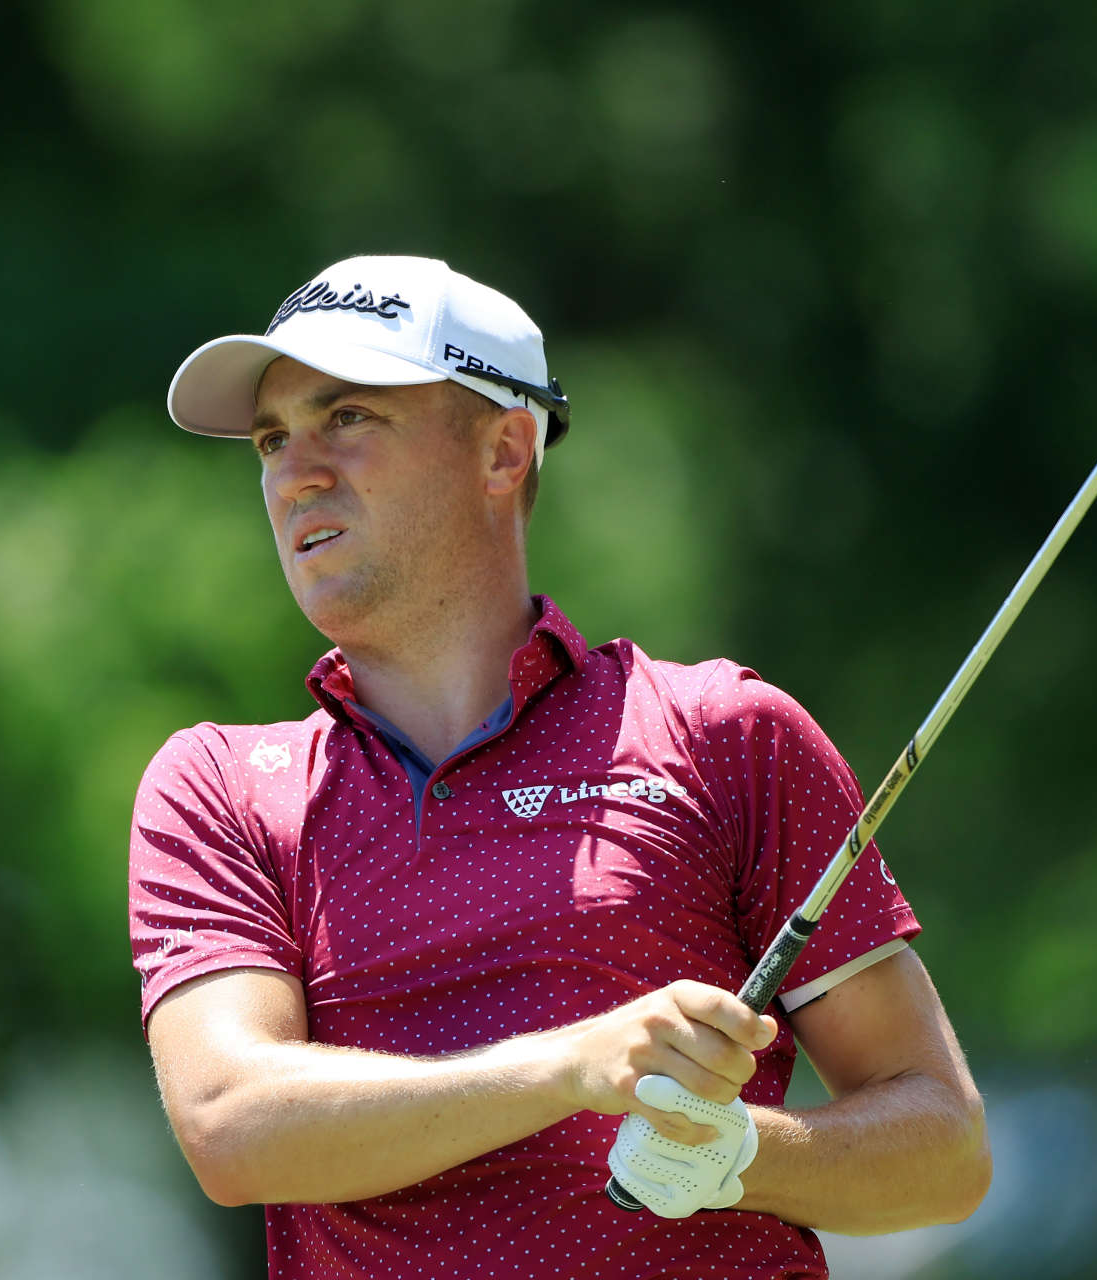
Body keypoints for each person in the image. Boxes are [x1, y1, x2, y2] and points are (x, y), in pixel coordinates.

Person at [128, 256, 989, 1279]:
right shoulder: (223, 785)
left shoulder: (719, 734)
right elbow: (232, 1121)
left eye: (348, 416)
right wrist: (570, 1066)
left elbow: (943, 1147)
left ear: (503, 448)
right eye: (273, 438)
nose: (294, 470)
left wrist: (742, 1156)